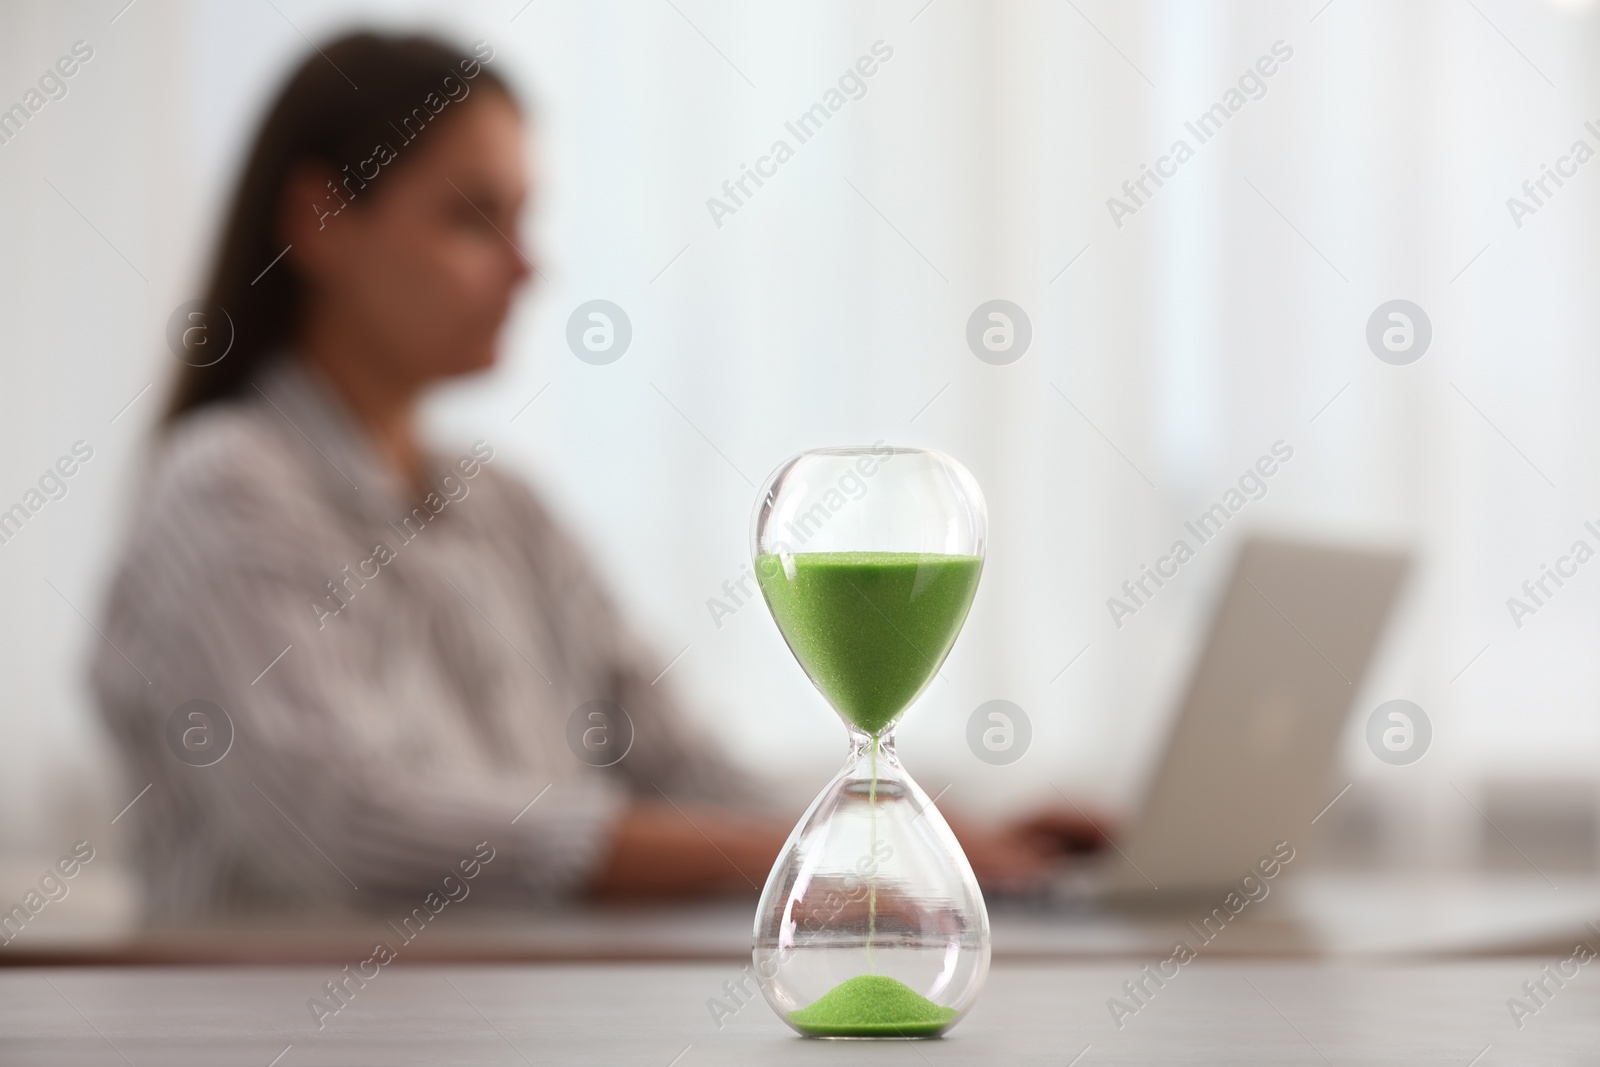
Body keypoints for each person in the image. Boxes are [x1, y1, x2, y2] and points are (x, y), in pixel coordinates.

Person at [91, 32, 1102, 920]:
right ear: (321, 219)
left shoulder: (502, 508)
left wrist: (947, 834)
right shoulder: (224, 492)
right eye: (472, 217)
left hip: (512, 1019)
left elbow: (684, 766)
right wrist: (796, 860)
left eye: (523, 218)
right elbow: (354, 825)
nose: (527, 268)